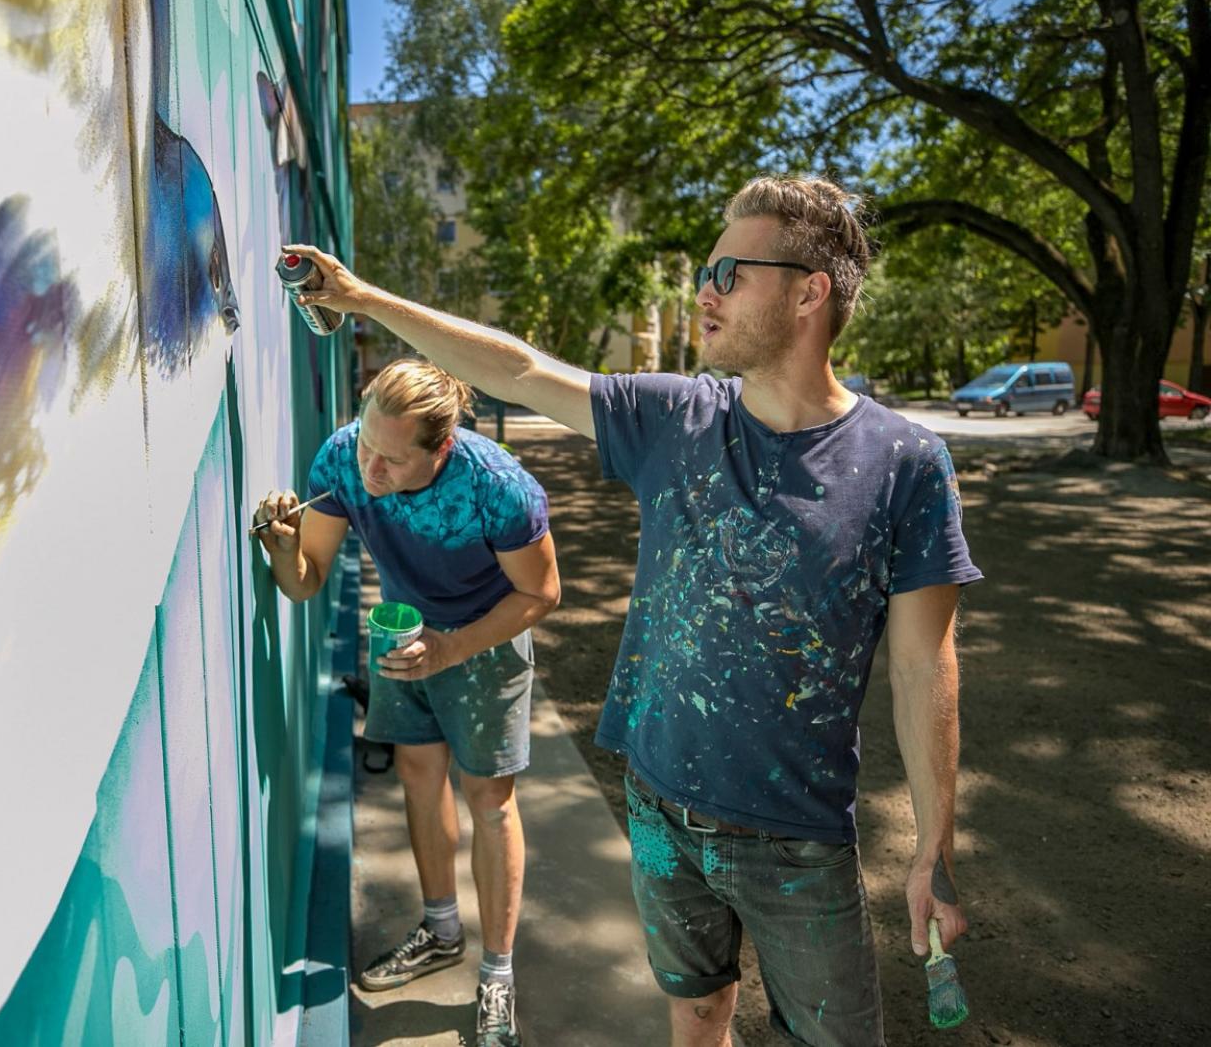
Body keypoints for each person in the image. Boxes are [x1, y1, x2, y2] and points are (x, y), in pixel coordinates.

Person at [279, 175, 982, 1047]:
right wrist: (358, 297)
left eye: (731, 270)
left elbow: (924, 664)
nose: (705, 290)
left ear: (810, 292)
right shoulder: (676, 417)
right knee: (695, 1012)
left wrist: (932, 846)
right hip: (658, 809)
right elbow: (521, 367)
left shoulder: (907, 463)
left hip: (799, 838)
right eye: (707, 269)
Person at [253, 357, 559, 1047]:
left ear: (440, 447)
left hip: (486, 640)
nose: (370, 470)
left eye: (391, 459)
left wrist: (453, 649)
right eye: (366, 443)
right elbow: (306, 582)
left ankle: (498, 974)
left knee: (488, 800)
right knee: (420, 781)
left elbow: (541, 594)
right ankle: (441, 928)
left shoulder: (498, 485)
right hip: (402, 633)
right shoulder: (340, 458)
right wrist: (281, 546)